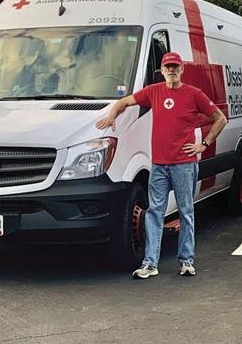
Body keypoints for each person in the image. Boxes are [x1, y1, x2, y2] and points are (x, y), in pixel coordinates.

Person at [96, 51, 227, 279]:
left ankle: (186, 261)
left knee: (186, 211)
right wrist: (112, 116)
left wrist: (203, 144)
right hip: (159, 165)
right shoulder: (154, 91)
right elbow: (124, 101)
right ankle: (150, 263)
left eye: (175, 67)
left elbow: (220, 118)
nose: (172, 70)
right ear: (162, 70)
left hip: (184, 164)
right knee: (155, 212)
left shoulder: (193, 94)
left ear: (181, 69)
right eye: (168, 67)